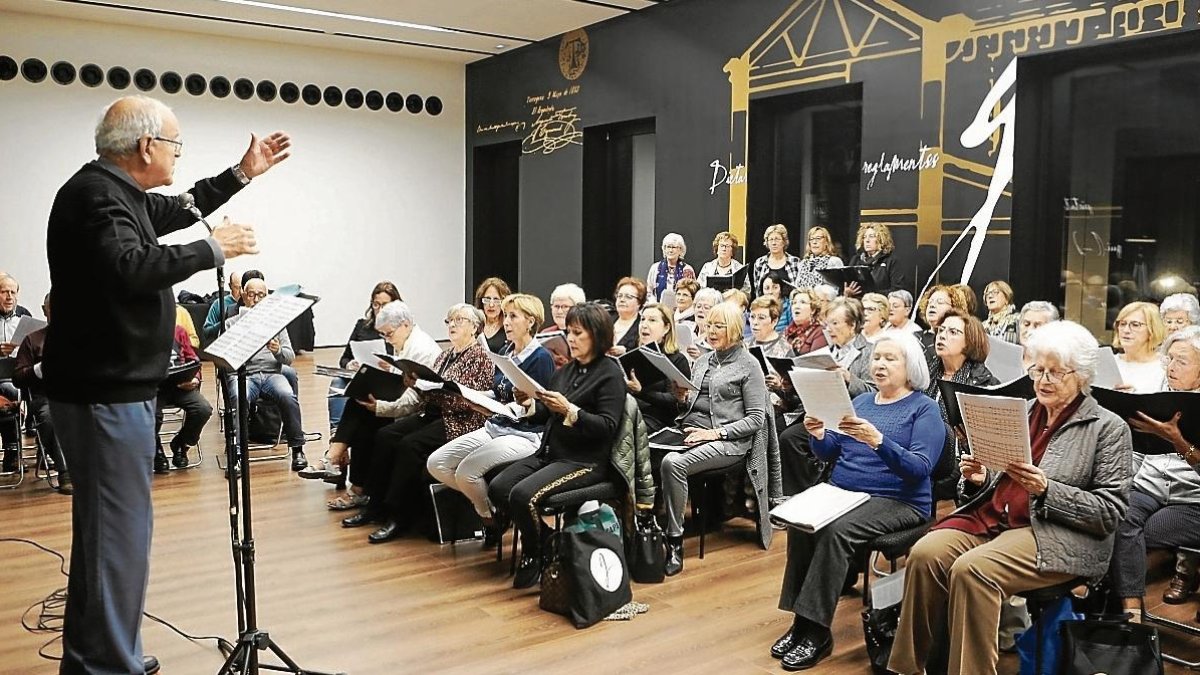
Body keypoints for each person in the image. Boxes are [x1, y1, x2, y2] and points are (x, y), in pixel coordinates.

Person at [43, 95, 280, 675]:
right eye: (176, 144)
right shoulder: (98, 198)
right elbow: (129, 269)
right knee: (117, 538)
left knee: (107, 537)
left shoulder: (112, 192)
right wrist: (212, 249)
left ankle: (97, 654)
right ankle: (106, 664)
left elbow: (182, 207)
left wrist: (241, 174)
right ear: (146, 146)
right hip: (104, 394)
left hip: (109, 389)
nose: (178, 153)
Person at [888, 320, 1133, 675]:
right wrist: (978, 479)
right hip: (997, 518)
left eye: (1055, 373)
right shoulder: (1023, 410)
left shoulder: (1108, 427)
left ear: (1081, 376)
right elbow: (997, 484)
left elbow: (1110, 513)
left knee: (973, 571)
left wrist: (1047, 490)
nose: (1043, 380)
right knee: (925, 554)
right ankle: (909, 667)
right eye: (1037, 369)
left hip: (1057, 532)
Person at [772, 332, 944, 671]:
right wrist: (819, 434)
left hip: (899, 499)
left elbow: (920, 469)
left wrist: (879, 442)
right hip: (845, 493)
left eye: (890, 358)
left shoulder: (924, 410)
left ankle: (818, 631)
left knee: (836, 531)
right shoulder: (862, 403)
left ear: (910, 367)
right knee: (802, 526)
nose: (880, 363)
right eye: (877, 357)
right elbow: (830, 451)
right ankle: (801, 622)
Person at [488, 303, 626, 589]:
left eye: (578, 333)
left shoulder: (610, 373)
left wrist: (571, 411)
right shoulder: (567, 371)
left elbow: (607, 428)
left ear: (597, 336)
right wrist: (529, 404)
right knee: (498, 487)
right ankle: (548, 540)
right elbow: (546, 413)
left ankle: (534, 553)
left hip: (585, 461)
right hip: (552, 453)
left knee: (523, 495)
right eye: (569, 332)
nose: (571, 339)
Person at [346, 304, 495, 544]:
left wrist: (433, 388)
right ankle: (374, 504)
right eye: (449, 321)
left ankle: (398, 515)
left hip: (459, 420)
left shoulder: (480, 357)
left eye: (459, 320)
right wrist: (414, 383)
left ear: (475, 327)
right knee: (385, 435)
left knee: (409, 445)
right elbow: (428, 394)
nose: (453, 325)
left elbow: (468, 400)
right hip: (434, 412)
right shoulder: (446, 355)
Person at [426, 294, 556, 544]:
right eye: (505, 316)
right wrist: (473, 396)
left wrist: (514, 407)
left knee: (466, 472)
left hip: (527, 434)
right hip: (497, 425)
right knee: (437, 463)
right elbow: (498, 392)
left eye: (513, 316)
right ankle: (495, 509)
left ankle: (488, 517)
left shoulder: (541, 358)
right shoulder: (506, 350)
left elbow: (543, 408)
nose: (505, 322)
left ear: (530, 322)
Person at [661, 301, 769, 576]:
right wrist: (681, 399)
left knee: (674, 463)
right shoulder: (702, 360)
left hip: (728, 440)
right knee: (644, 451)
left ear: (733, 329)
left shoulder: (749, 365)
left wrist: (714, 433)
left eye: (718, 326)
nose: (710, 331)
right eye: (708, 325)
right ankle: (644, 528)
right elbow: (690, 407)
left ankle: (674, 541)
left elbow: (756, 420)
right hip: (690, 429)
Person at [1109, 326, 1200, 618]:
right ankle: (1131, 611)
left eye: (1181, 361)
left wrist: (1177, 440)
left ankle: (1122, 606)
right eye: (1169, 359)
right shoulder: (1160, 391)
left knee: (1142, 533)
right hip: (1149, 484)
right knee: (1115, 518)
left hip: (1193, 498)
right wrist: (1120, 407)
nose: (1171, 367)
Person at [320, 301, 441, 507]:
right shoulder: (408, 342)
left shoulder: (422, 350)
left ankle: (336, 457)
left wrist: (380, 407)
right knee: (359, 405)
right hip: (406, 403)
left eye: (388, 334)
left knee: (362, 413)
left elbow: (414, 400)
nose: (387, 339)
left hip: (419, 412)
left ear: (404, 325)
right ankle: (346, 472)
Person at [223, 278, 308, 471]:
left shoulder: (277, 324)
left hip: (272, 374)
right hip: (244, 376)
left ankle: (297, 448)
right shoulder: (231, 323)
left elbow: (289, 358)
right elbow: (226, 363)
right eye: (251, 294)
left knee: (287, 395)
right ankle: (235, 453)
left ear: (267, 298)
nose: (255, 300)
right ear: (244, 296)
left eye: (260, 295)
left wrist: (277, 350)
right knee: (238, 397)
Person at [323, 281, 402, 436]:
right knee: (337, 382)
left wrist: (390, 366)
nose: (379, 310)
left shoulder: (399, 330)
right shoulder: (362, 326)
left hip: (384, 379)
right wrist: (350, 364)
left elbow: (403, 363)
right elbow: (344, 358)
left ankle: (344, 437)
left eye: (384, 305)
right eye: (376, 305)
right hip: (361, 374)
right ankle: (336, 434)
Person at [12, 293, 70, 494]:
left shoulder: (82, 337)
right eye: (54, 308)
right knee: (51, 418)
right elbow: (17, 378)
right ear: (45, 310)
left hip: (81, 394)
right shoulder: (32, 339)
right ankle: (66, 472)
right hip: (47, 397)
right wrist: (40, 369)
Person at [152, 321, 210, 474]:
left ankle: (181, 443)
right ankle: (155, 449)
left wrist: (195, 378)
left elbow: (193, 359)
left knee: (203, 409)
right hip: (155, 389)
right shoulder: (142, 332)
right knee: (152, 415)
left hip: (181, 385)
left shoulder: (178, 331)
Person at [625, 303, 692, 432]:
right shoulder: (633, 353)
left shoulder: (677, 359)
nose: (644, 324)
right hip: (629, 410)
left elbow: (674, 401)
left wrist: (640, 392)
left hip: (658, 419)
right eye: (643, 319)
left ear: (666, 328)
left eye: (652, 320)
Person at [924, 309, 998, 423]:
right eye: (941, 330)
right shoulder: (924, 373)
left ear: (970, 341)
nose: (942, 336)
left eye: (953, 332)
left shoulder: (984, 384)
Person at [825, 298, 877, 397]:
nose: (828, 329)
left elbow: (875, 394)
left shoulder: (870, 352)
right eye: (827, 324)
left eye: (835, 323)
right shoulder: (827, 352)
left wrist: (849, 378)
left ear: (852, 325)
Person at [1113, 301, 1167, 393]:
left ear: (1152, 330)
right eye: (1122, 324)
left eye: (1135, 325)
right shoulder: (1109, 363)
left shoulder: (1164, 367)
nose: (1126, 330)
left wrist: (1134, 399)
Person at [846, 223, 906, 296]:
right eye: (864, 237)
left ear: (881, 240)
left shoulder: (891, 260)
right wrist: (847, 291)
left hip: (881, 303)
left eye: (872, 236)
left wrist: (873, 295)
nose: (867, 240)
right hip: (857, 303)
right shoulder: (856, 260)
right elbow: (847, 283)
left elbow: (897, 290)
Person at [751, 224, 802, 297]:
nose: (774, 243)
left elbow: (799, 289)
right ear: (767, 243)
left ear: (784, 242)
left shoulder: (795, 262)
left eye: (777, 239)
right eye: (771, 240)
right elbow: (758, 290)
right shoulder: (760, 263)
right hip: (767, 305)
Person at [645, 233, 696, 304]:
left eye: (673, 247)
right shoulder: (655, 268)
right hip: (659, 309)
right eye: (668, 247)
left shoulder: (687, 270)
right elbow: (649, 291)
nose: (670, 250)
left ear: (680, 250)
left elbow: (692, 293)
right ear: (664, 249)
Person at [915, 284, 968, 350]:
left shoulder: (963, 340)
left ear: (954, 308)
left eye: (940, 302)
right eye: (930, 302)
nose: (932, 305)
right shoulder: (913, 339)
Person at [783, 288, 827, 356]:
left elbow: (815, 362)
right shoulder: (787, 332)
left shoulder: (819, 332)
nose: (796, 306)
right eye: (794, 303)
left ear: (813, 310)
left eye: (803, 302)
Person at [475, 277, 512, 354]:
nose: (491, 305)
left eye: (496, 300)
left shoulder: (509, 326)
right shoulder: (475, 324)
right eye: (487, 299)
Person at [685, 287, 723, 362]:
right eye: (698, 306)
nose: (700, 310)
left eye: (706, 307)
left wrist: (701, 358)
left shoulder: (720, 337)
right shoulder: (686, 329)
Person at [610, 276, 646, 356]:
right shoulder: (606, 319)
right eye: (619, 296)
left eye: (628, 297)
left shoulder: (643, 326)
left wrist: (626, 352)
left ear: (639, 303)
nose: (622, 300)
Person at [202, 271, 242, 341]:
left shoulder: (249, 303)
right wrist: (225, 322)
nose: (240, 291)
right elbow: (206, 332)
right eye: (237, 287)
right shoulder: (219, 303)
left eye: (242, 287)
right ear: (230, 286)